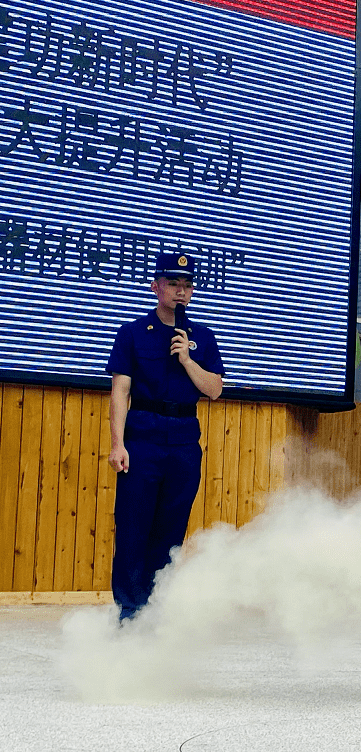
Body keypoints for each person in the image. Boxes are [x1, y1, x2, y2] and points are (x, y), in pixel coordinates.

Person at [107, 252, 225, 622]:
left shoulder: (202, 338)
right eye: (173, 283)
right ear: (156, 286)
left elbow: (215, 389)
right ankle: (130, 609)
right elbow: (120, 391)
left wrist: (188, 361)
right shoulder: (131, 333)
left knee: (171, 528)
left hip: (185, 443)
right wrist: (117, 444)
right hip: (142, 440)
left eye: (187, 285)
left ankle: (155, 607)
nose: (181, 291)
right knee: (133, 525)